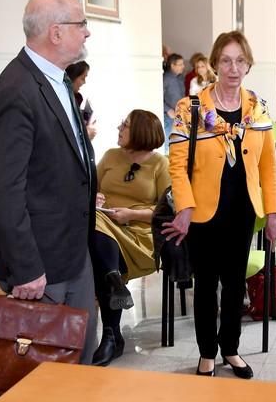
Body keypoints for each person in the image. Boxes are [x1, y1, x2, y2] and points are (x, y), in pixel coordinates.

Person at [0, 0, 98, 364]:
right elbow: (4, 189)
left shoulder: (58, 79)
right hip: (41, 261)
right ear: (56, 32)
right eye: (81, 24)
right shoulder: (16, 90)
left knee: (80, 354)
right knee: (47, 371)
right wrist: (26, 267)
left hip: (72, 247)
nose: (87, 32)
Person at [162, 31, 276, 379]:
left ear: (248, 65)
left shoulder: (256, 108)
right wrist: (183, 208)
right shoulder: (192, 108)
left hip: (243, 209)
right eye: (226, 60)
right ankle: (206, 352)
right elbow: (177, 163)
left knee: (234, 284)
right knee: (206, 285)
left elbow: (268, 167)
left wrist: (273, 213)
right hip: (203, 211)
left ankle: (230, 348)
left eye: (240, 60)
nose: (233, 68)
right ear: (214, 64)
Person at [90, 110, 170, 366]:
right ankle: (112, 329)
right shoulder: (111, 156)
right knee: (93, 222)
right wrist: (96, 198)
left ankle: (111, 336)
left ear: (141, 132)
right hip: (105, 225)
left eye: (124, 125)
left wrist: (131, 215)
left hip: (140, 234)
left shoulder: (160, 164)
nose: (119, 128)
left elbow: (168, 211)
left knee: (101, 257)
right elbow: (91, 188)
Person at [66, 60, 97, 140]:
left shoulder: (76, 99)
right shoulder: (64, 101)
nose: (84, 82)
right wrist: (86, 135)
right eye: (82, 78)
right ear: (72, 76)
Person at [163, 53, 185, 153]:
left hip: (180, 116)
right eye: (180, 64)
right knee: (169, 144)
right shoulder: (165, 79)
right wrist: (168, 110)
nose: (183, 66)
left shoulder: (180, 78)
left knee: (178, 144)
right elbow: (158, 97)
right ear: (172, 65)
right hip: (169, 118)